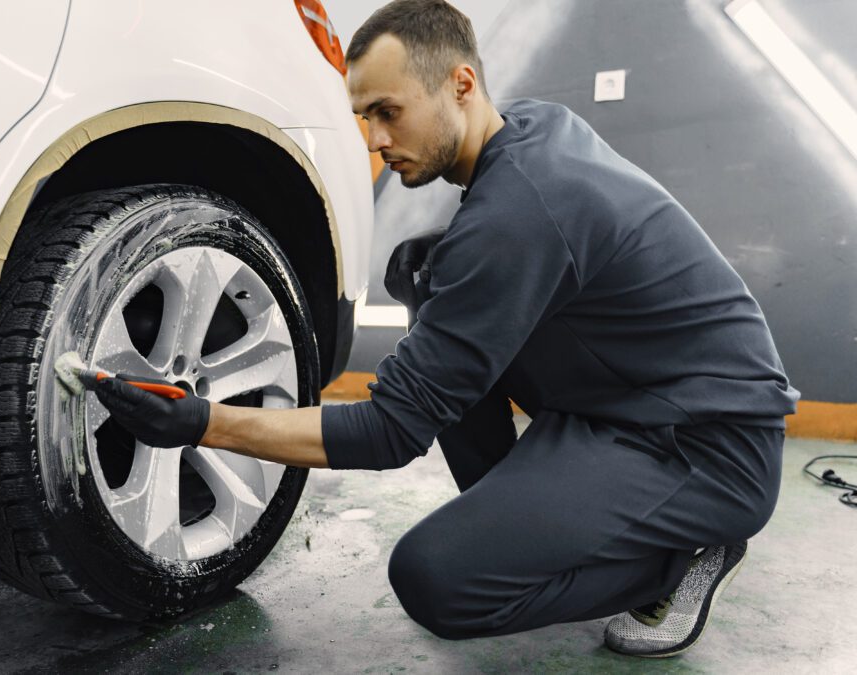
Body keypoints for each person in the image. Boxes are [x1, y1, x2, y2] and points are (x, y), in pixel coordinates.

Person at [93, 0, 799, 658]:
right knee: (422, 271)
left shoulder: (520, 209)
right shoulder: (529, 135)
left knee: (439, 578)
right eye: (363, 116)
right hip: (625, 406)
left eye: (388, 112)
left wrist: (203, 423)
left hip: (708, 447)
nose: (374, 139)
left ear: (460, 84)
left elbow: (389, 431)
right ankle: (553, 518)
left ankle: (683, 557)